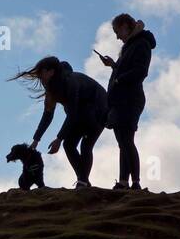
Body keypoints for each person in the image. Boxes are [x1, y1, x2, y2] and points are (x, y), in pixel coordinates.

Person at [12, 56, 108, 188]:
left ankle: (83, 181)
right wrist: (36, 139)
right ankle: (83, 180)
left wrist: (58, 138)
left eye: (41, 74)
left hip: (99, 108)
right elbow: (48, 115)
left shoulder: (71, 82)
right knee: (69, 144)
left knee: (86, 145)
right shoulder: (51, 88)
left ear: (50, 71)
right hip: (80, 113)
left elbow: (73, 114)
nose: (40, 78)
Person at [99, 14, 156, 190]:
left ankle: (135, 182)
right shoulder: (130, 46)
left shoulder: (141, 44)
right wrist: (114, 66)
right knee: (123, 142)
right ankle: (124, 181)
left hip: (130, 99)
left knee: (126, 140)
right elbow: (130, 68)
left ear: (125, 26)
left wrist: (118, 80)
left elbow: (141, 71)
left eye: (117, 31)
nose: (117, 36)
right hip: (121, 99)